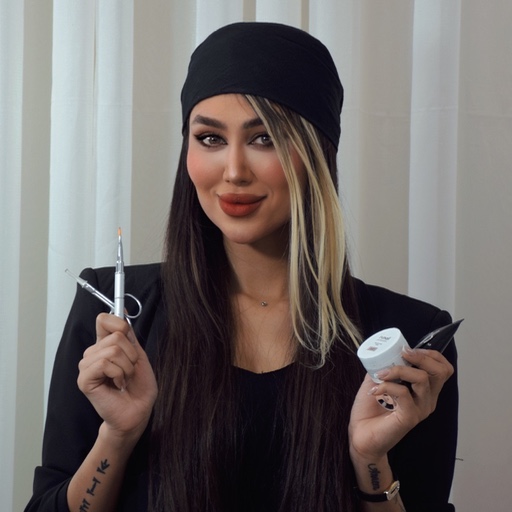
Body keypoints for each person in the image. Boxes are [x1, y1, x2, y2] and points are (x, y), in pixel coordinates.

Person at [25, 22, 458, 512]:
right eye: (209, 138)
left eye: (264, 138)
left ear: (317, 155)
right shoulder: (114, 313)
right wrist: (117, 436)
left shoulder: (408, 342)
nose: (233, 171)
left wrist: (370, 460)